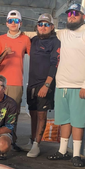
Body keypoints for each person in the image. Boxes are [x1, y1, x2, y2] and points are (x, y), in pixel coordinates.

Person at [47, 3, 85, 167]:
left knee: (78, 121)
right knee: (65, 120)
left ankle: (76, 154)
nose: (71, 16)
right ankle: (63, 151)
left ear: (82, 16)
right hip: (62, 85)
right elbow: (45, 32)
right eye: (69, 13)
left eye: (75, 13)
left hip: (81, 87)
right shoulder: (63, 34)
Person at [0, 10, 31, 150]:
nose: (13, 24)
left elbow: (35, 55)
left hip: (16, 82)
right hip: (1, 82)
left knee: (13, 114)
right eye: (10, 21)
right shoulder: (1, 39)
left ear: (20, 23)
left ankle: (11, 140)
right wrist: (4, 53)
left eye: (16, 21)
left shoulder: (25, 39)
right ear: (6, 23)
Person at [26, 13, 60, 157]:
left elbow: (54, 64)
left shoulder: (55, 42)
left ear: (52, 27)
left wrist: (47, 85)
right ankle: (32, 140)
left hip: (44, 84)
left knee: (41, 114)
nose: (43, 27)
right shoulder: (33, 40)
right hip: (32, 83)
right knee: (33, 113)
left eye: (46, 24)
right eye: (40, 24)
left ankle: (37, 144)